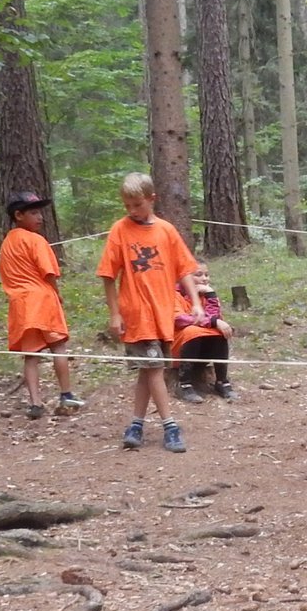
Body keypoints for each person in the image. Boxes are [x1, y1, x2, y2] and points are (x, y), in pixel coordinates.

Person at [98, 173, 201, 452]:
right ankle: (170, 426)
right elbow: (107, 275)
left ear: (151, 199)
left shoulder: (166, 230)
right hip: (136, 314)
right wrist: (115, 314)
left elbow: (185, 269)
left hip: (162, 314)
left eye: (137, 205)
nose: (132, 211)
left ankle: (136, 425)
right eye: (127, 205)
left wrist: (195, 302)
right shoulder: (120, 230)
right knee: (154, 368)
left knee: (148, 370)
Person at [0, 192, 85, 421]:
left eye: (40, 212)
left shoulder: (6, 243)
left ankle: (35, 402)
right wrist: (57, 294)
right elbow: (49, 273)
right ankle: (66, 394)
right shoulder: (36, 240)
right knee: (58, 347)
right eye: (34, 213)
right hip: (43, 300)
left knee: (31, 355)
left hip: (21, 305)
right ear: (18, 215)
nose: (40, 218)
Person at [171, 267, 235, 403]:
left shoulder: (205, 294)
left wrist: (211, 295)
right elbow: (179, 320)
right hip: (177, 348)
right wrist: (213, 322)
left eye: (207, 275)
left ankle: (222, 381)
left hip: (202, 348)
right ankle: (184, 384)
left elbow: (216, 318)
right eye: (199, 275)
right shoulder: (173, 294)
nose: (205, 279)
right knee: (192, 331)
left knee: (219, 332)